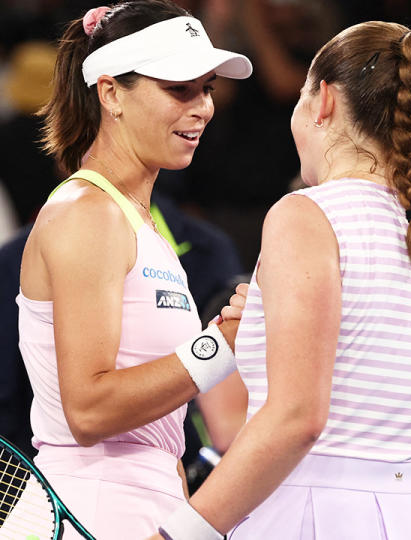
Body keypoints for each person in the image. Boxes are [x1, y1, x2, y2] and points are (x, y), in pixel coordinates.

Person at [146, 21, 411, 540]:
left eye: (301, 95)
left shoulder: (303, 216)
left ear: (322, 100)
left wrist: (177, 535)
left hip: (322, 518)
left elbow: (297, 419)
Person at [18, 1, 251, 538]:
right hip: (90, 510)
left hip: (141, 508)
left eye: (207, 88)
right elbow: (91, 411)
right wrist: (220, 345)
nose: (202, 109)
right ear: (111, 93)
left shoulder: (138, 225)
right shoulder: (87, 214)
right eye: (179, 89)